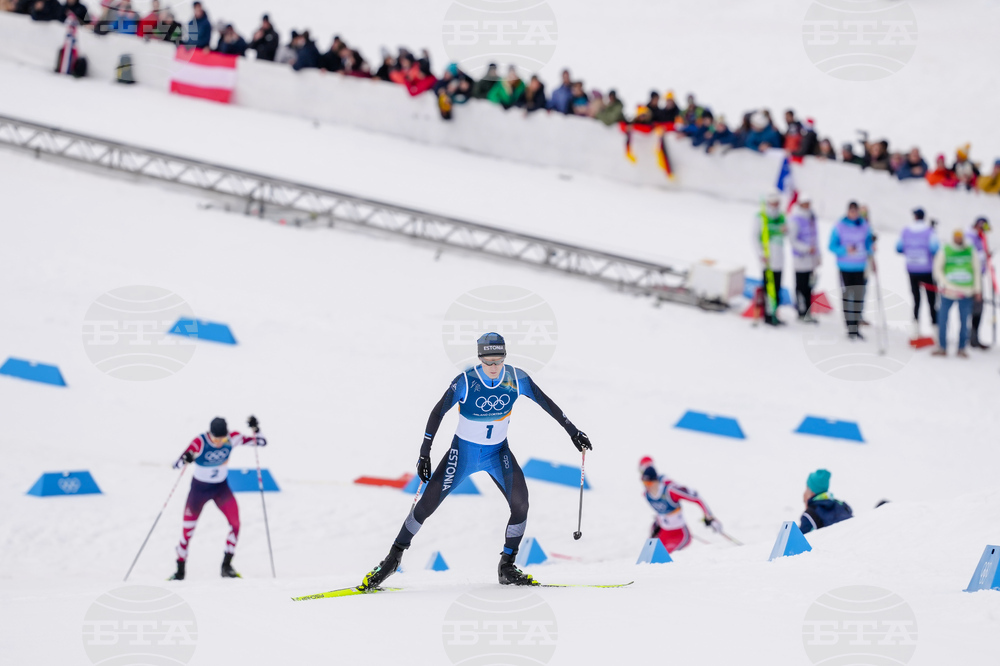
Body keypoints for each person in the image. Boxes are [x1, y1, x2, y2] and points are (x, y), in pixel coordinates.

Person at [358, 333, 591, 590]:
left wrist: (573, 431)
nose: (493, 367)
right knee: (425, 507)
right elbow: (437, 412)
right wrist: (425, 453)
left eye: (498, 360)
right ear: (480, 358)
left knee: (521, 503)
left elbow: (547, 404)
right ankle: (392, 559)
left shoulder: (516, 378)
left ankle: (507, 565)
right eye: (488, 360)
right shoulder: (466, 381)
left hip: (497, 453)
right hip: (462, 454)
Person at [169, 416, 267, 580]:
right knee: (187, 530)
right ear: (210, 434)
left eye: (222, 438)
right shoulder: (199, 442)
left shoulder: (232, 438)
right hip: (199, 490)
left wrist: (256, 429)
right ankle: (179, 572)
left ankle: (226, 566)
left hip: (221, 489)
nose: (219, 442)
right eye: (215, 438)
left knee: (235, 524)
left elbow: (262, 442)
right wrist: (187, 459)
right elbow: (175, 464)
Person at [638, 457, 721, 553]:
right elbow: (661, 511)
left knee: (661, 559)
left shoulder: (670, 490)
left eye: (648, 482)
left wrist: (710, 517)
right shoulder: (646, 495)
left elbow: (696, 497)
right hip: (664, 532)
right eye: (643, 482)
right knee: (648, 558)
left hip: (680, 534)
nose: (646, 485)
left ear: (655, 480)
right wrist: (657, 523)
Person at [932, 229, 982, 357]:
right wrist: (944, 284)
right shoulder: (946, 249)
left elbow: (977, 270)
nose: (958, 239)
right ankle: (942, 347)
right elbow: (938, 269)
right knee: (942, 319)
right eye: (956, 236)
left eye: (960, 237)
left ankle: (962, 348)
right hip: (948, 292)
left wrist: (977, 290)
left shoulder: (970, 250)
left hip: (965, 292)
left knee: (964, 321)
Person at [829, 201, 874, 339]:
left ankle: (856, 325)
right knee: (848, 295)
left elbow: (868, 243)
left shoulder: (864, 226)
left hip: (860, 266)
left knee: (859, 296)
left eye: (856, 211)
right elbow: (832, 246)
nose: (854, 214)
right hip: (845, 266)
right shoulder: (840, 226)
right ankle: (850, 326)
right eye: (851, 211)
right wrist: (845, 250)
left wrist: (871, 248)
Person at [896, 208, 939, 340]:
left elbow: (898, 248)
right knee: (932, 301)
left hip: (912, 270)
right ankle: (935, 331)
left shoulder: (906, 230)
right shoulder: (929, 231)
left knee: (916, 300)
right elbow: (935, 249)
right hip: (926, 270)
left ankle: (916, 330)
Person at [754, 192, 787, 326]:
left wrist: (785, 230)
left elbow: (785, 233)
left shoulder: (781, 217)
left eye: (777, 203)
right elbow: (753, 237)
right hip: (767, 260)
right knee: (769, 289)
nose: (775, 205)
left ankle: (775, 313)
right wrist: (761, 254)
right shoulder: (761, 217)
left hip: (779, 259)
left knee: (777, 288)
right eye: (772, 203)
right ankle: (768, 315)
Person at [787, 195, 821, 323]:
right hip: (800, 259)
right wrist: (806, 249)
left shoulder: (812, 217)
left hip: (811, 259)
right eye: (805, 203)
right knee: (801, 286)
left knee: (809, 286)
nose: (807, 206)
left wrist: (818, 255)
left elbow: (816, 238)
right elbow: (793, 240)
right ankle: (801, 311)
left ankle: (808, 311)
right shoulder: (795, 219)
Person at [800, 469, 852, 535]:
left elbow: (798, 540)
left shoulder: (809, 515)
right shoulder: (840, 505)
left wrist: (808, 509)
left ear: (812, 493)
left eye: (807, 489)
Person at [967, 217, 992, 349]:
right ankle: (971, 336)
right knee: (975, 306)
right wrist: (983, 255)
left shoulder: (978, 237)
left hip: (977, 276)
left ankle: (973, 335)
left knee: (977, 306)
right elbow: (970, 255)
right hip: (970, 278)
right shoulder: (970, 236)